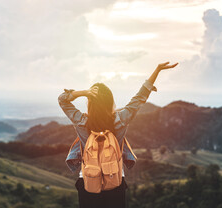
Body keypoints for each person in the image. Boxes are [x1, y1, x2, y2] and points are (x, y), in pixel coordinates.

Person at [58, 61, 178, 208]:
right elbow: (139, 98)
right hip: (115, 180)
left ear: (90, 102)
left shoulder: (82, 121)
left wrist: (84, 93)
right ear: (110, 101)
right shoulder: (120, 120)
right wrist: (157, 70)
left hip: (88, 182)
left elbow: (62, 100)